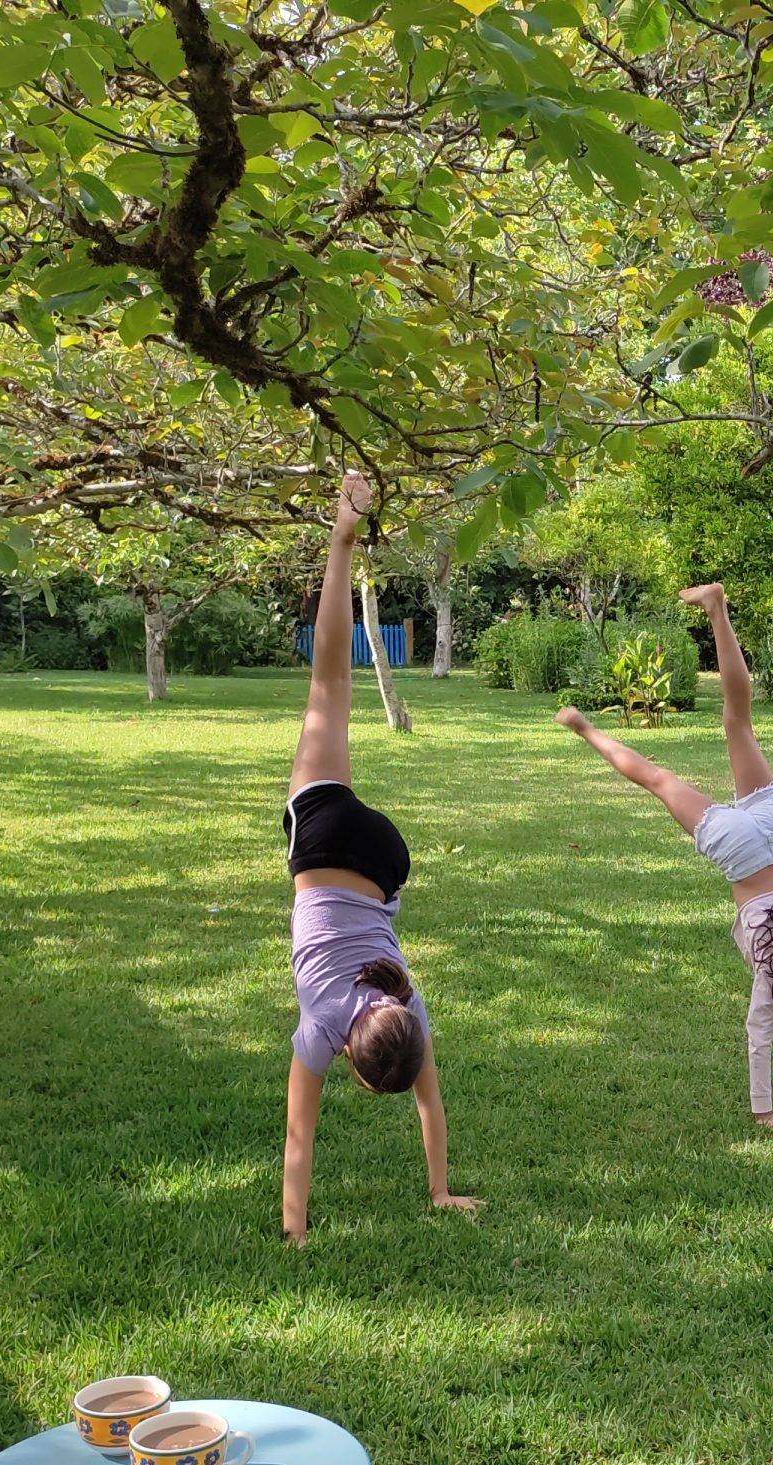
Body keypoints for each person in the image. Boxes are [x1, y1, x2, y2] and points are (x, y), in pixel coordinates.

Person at [558, 581, 773, 1130]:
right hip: (738, 852)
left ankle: (717, 609)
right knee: (657, 778)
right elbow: (759, 1033)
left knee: (738, 719)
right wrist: (764, 1114)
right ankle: (584, 728)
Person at [281, 471, 473, 1244]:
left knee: (332, 690)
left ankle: (343, 536)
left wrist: (443, 1190)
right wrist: (293, 1230)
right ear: (353, 1062)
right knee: (327, 688)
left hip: (386, 861)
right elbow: (299, 1137)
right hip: (323, 843)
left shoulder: (410, 1006)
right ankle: (341, 537)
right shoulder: (324, 1027)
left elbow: (431, 1102)